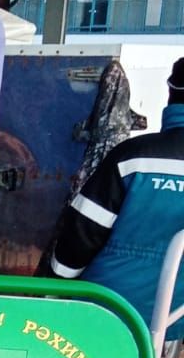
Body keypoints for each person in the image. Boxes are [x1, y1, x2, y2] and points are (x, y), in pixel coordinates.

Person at [43, 57, 184, 336]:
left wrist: (55, 287)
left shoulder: (134, 156)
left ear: (170, 94)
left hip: (111, 308)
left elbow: (82, 234)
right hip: (177, 319)